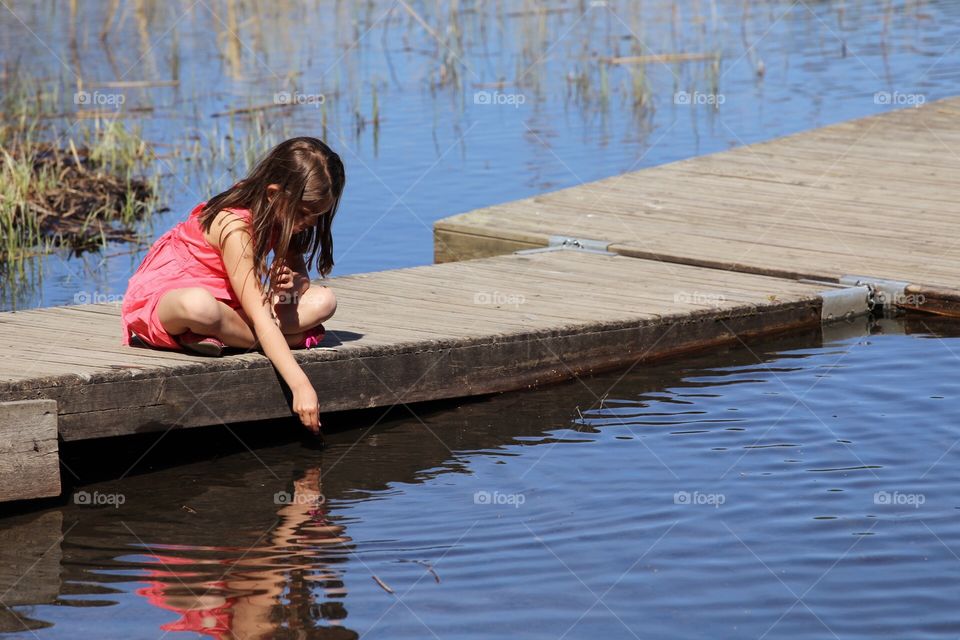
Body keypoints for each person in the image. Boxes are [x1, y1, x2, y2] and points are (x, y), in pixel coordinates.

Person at [121, 137, 345, 432]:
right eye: (305, 213)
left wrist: (295, 285)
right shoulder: (235, 226)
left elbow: (299, 276)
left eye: (318, 216)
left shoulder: (279, 213)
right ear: (274, 193)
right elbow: (260, 316)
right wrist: (301, 385)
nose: (312, 223)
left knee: (324, 300)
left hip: (231, 307)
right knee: (199, 306)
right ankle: (277, 340)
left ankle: (224, 337)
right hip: (170, 299)